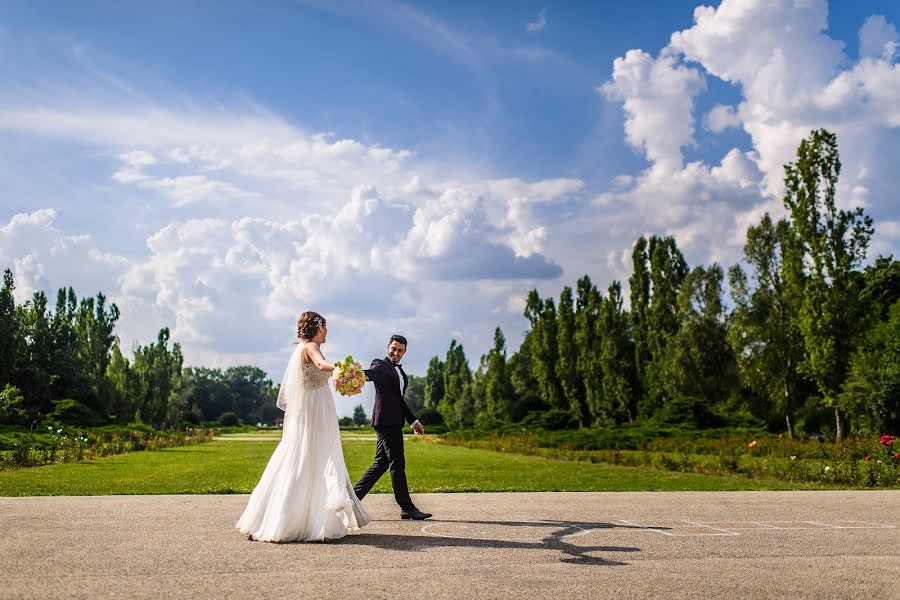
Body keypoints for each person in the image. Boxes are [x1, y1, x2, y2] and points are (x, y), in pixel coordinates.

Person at [236, 311, 370, 542]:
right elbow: (320, 364)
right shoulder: (310, 347)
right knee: (314, 455)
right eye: (325, 327)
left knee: (304, 455)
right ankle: (298, 519)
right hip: (316, 409)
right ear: (318, 327)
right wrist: (340, 368)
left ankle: (282, 517)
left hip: (313, 407)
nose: (327, 332)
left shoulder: (301, 348)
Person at [353, 334, 432, 521]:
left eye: (400, 350)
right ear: (388, 347)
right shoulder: (380, 364)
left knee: (381, 464)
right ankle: (407, 507)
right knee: (397, 464)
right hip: (386, 422)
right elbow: (372, 374)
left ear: (404, 352)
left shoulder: (401, 373)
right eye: (393, 348)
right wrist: (355, 375)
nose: (396, 352)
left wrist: (413, 421)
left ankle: (352, 500)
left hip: (393, 421)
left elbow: (400, 400)